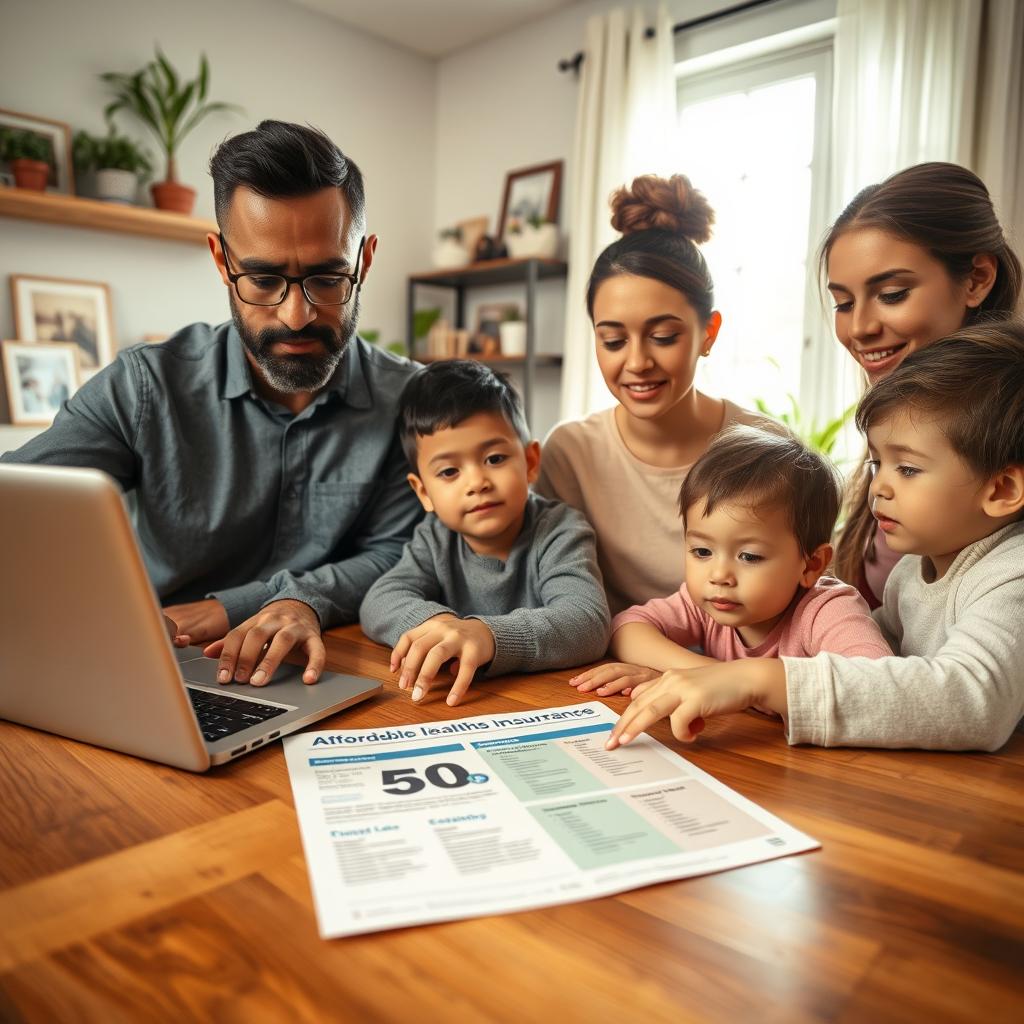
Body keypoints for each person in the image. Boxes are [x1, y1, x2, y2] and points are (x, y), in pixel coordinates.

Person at [1, 120, 422, 687]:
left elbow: (403, 552)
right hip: (158, 661)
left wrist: (269, 602)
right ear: (222, 260)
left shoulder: (413, 401)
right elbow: (19, 513)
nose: (296, 315)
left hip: (337, 664)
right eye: (264, 278)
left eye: (326, 278)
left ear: (364, 261)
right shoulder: (143, 387)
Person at [607, 320, 1024, 753]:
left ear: (1002, 490)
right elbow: (878, 672)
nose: (879, 487)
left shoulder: (1013, 576)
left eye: (909, 469)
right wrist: (698, 676)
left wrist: (753, 679)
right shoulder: (913, 573)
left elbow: (975, 702)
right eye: (877, 464)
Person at [534, 174, 765, 616]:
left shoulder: (763, 449)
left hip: (732, 677)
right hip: (603, 674)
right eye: (614, 341)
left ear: (708, 333)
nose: (637, 362)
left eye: (662, 336)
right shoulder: (571, 454)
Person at [821, 162, 1022, 607]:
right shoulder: (903, 421)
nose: (859, 328)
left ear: (977, 279)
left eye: (892, 295)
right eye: (843, 302)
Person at [572, 424, 890, 700]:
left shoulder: (827, 609)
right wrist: (708, 675)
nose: (719, 574)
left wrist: (738, 683)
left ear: (811, 565)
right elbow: (625, 629)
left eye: (749, 556)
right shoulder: (709, 602)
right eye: (702, 552)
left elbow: (877, 686)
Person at [359, 360, 610, 706]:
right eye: (449, 471)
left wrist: (487, 635)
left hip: (545, 704)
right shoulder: (435, 538)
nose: (477, 483)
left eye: (494, 459)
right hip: (457, 704)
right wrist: (438, 624)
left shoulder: (560, 529)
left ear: (531, 462)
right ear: (423, 493)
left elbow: (587, 622)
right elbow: (380, 600)